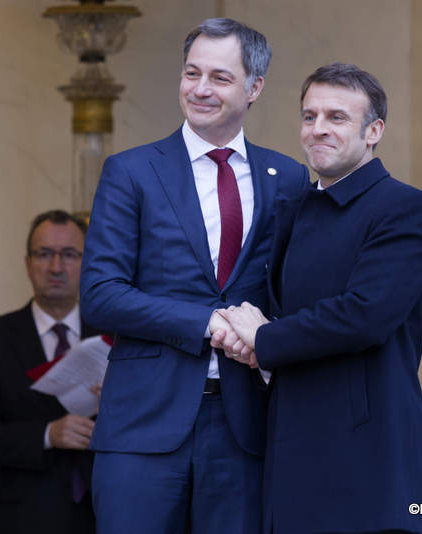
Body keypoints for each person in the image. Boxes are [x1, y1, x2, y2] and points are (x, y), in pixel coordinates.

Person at [79, 17, 308, 534]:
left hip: (246, 427)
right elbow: (99, 295)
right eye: (191, 73)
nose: (200, 89)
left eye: (220, 78)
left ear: (255, 88)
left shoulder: (288, 177)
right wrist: (207, 322)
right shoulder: (132, 171)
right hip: (142, 427)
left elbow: (292, 293)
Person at [214, 63, 422, 534]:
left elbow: (366, 315)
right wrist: (247, 336)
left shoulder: (403, 207)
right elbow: (272, 312)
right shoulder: (293, 209)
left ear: (373, 130)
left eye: (336, 117)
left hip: (364, 457)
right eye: (309, 116)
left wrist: (266, 337)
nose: (318, 129)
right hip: (289, 446)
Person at [0, 210, 99, 534]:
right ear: (27, 263)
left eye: (69, 255)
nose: (56, 267)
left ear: (86, 262)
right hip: (23, 517)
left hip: (104, 516)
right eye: (44, 254)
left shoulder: (115, 338)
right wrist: (48, 434)